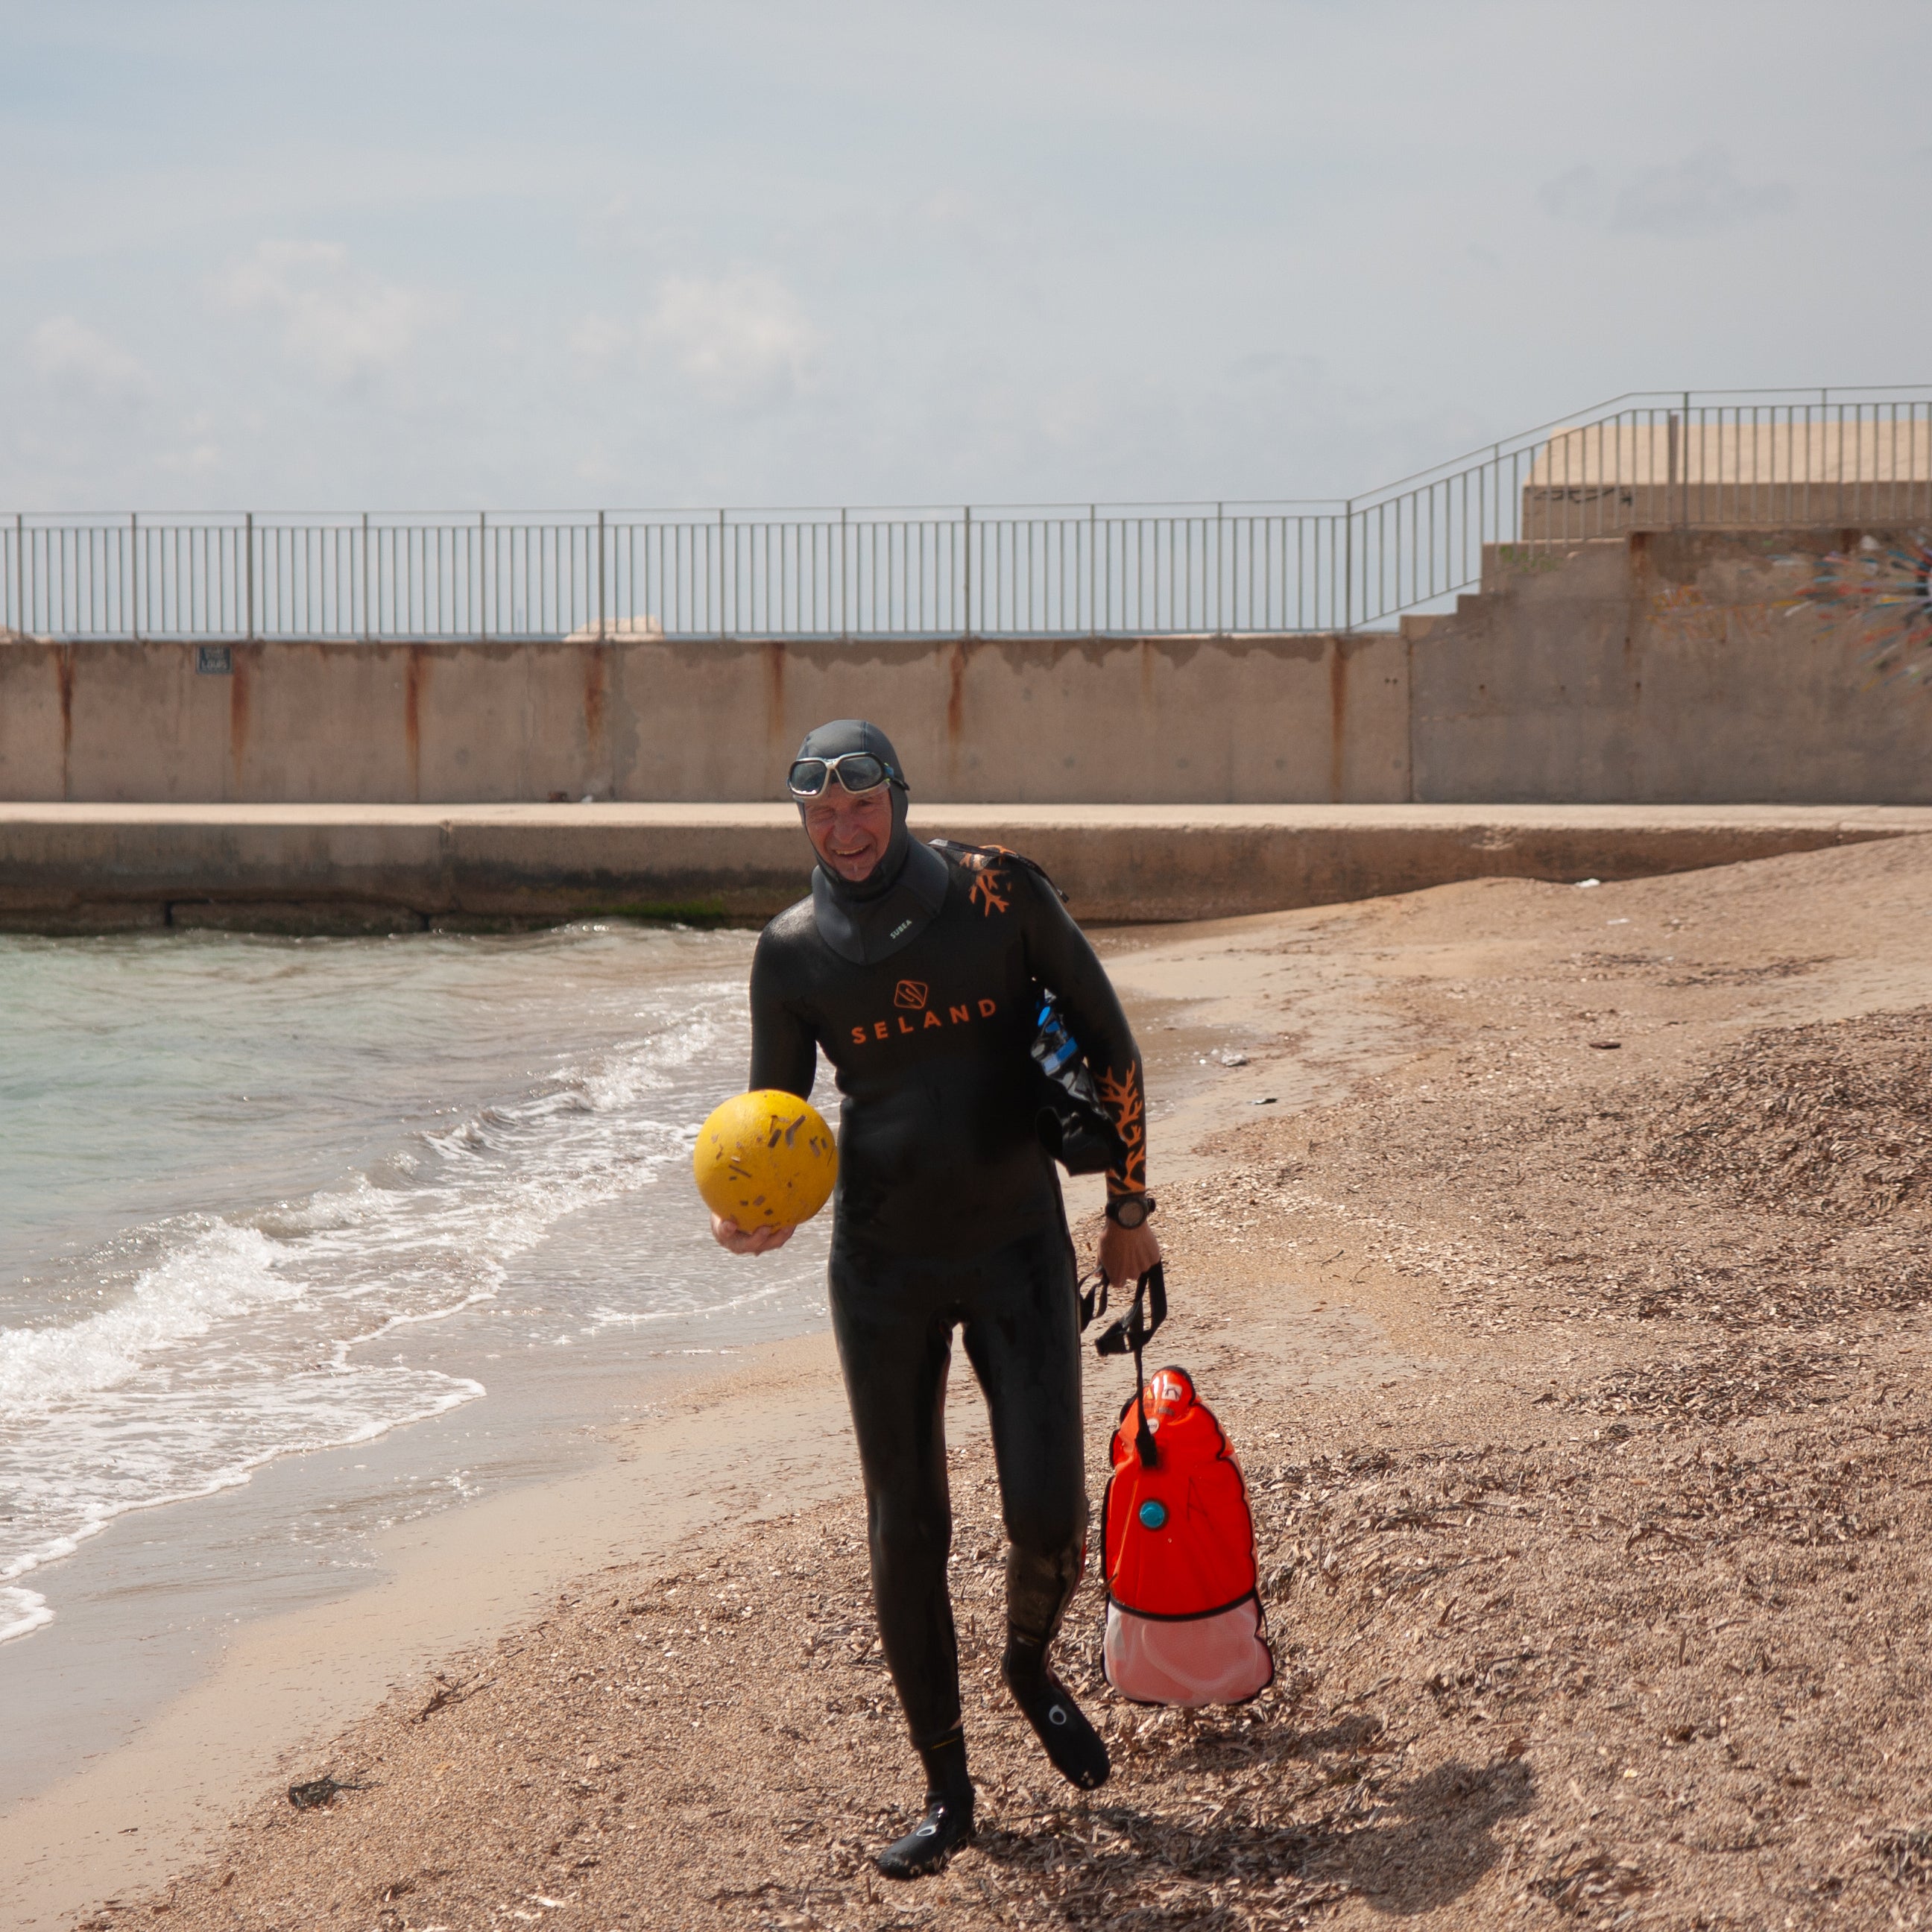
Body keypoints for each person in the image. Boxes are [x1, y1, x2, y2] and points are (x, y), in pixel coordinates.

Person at [710, 719, 1160, 1878]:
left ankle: (1027, 1662)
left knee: (1049, 1515)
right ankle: (949, 1792)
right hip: (881, 1267)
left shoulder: (998, 895)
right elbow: (780, 1129)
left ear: (899, 800)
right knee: (907, 1528)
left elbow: (1112, 1048)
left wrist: (1128, 1213)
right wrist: (755, 1215)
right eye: (820, 813)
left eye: (862, 806)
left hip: (1014, 1246)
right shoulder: (792, 951)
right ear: (802, 821)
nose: (843, 830)